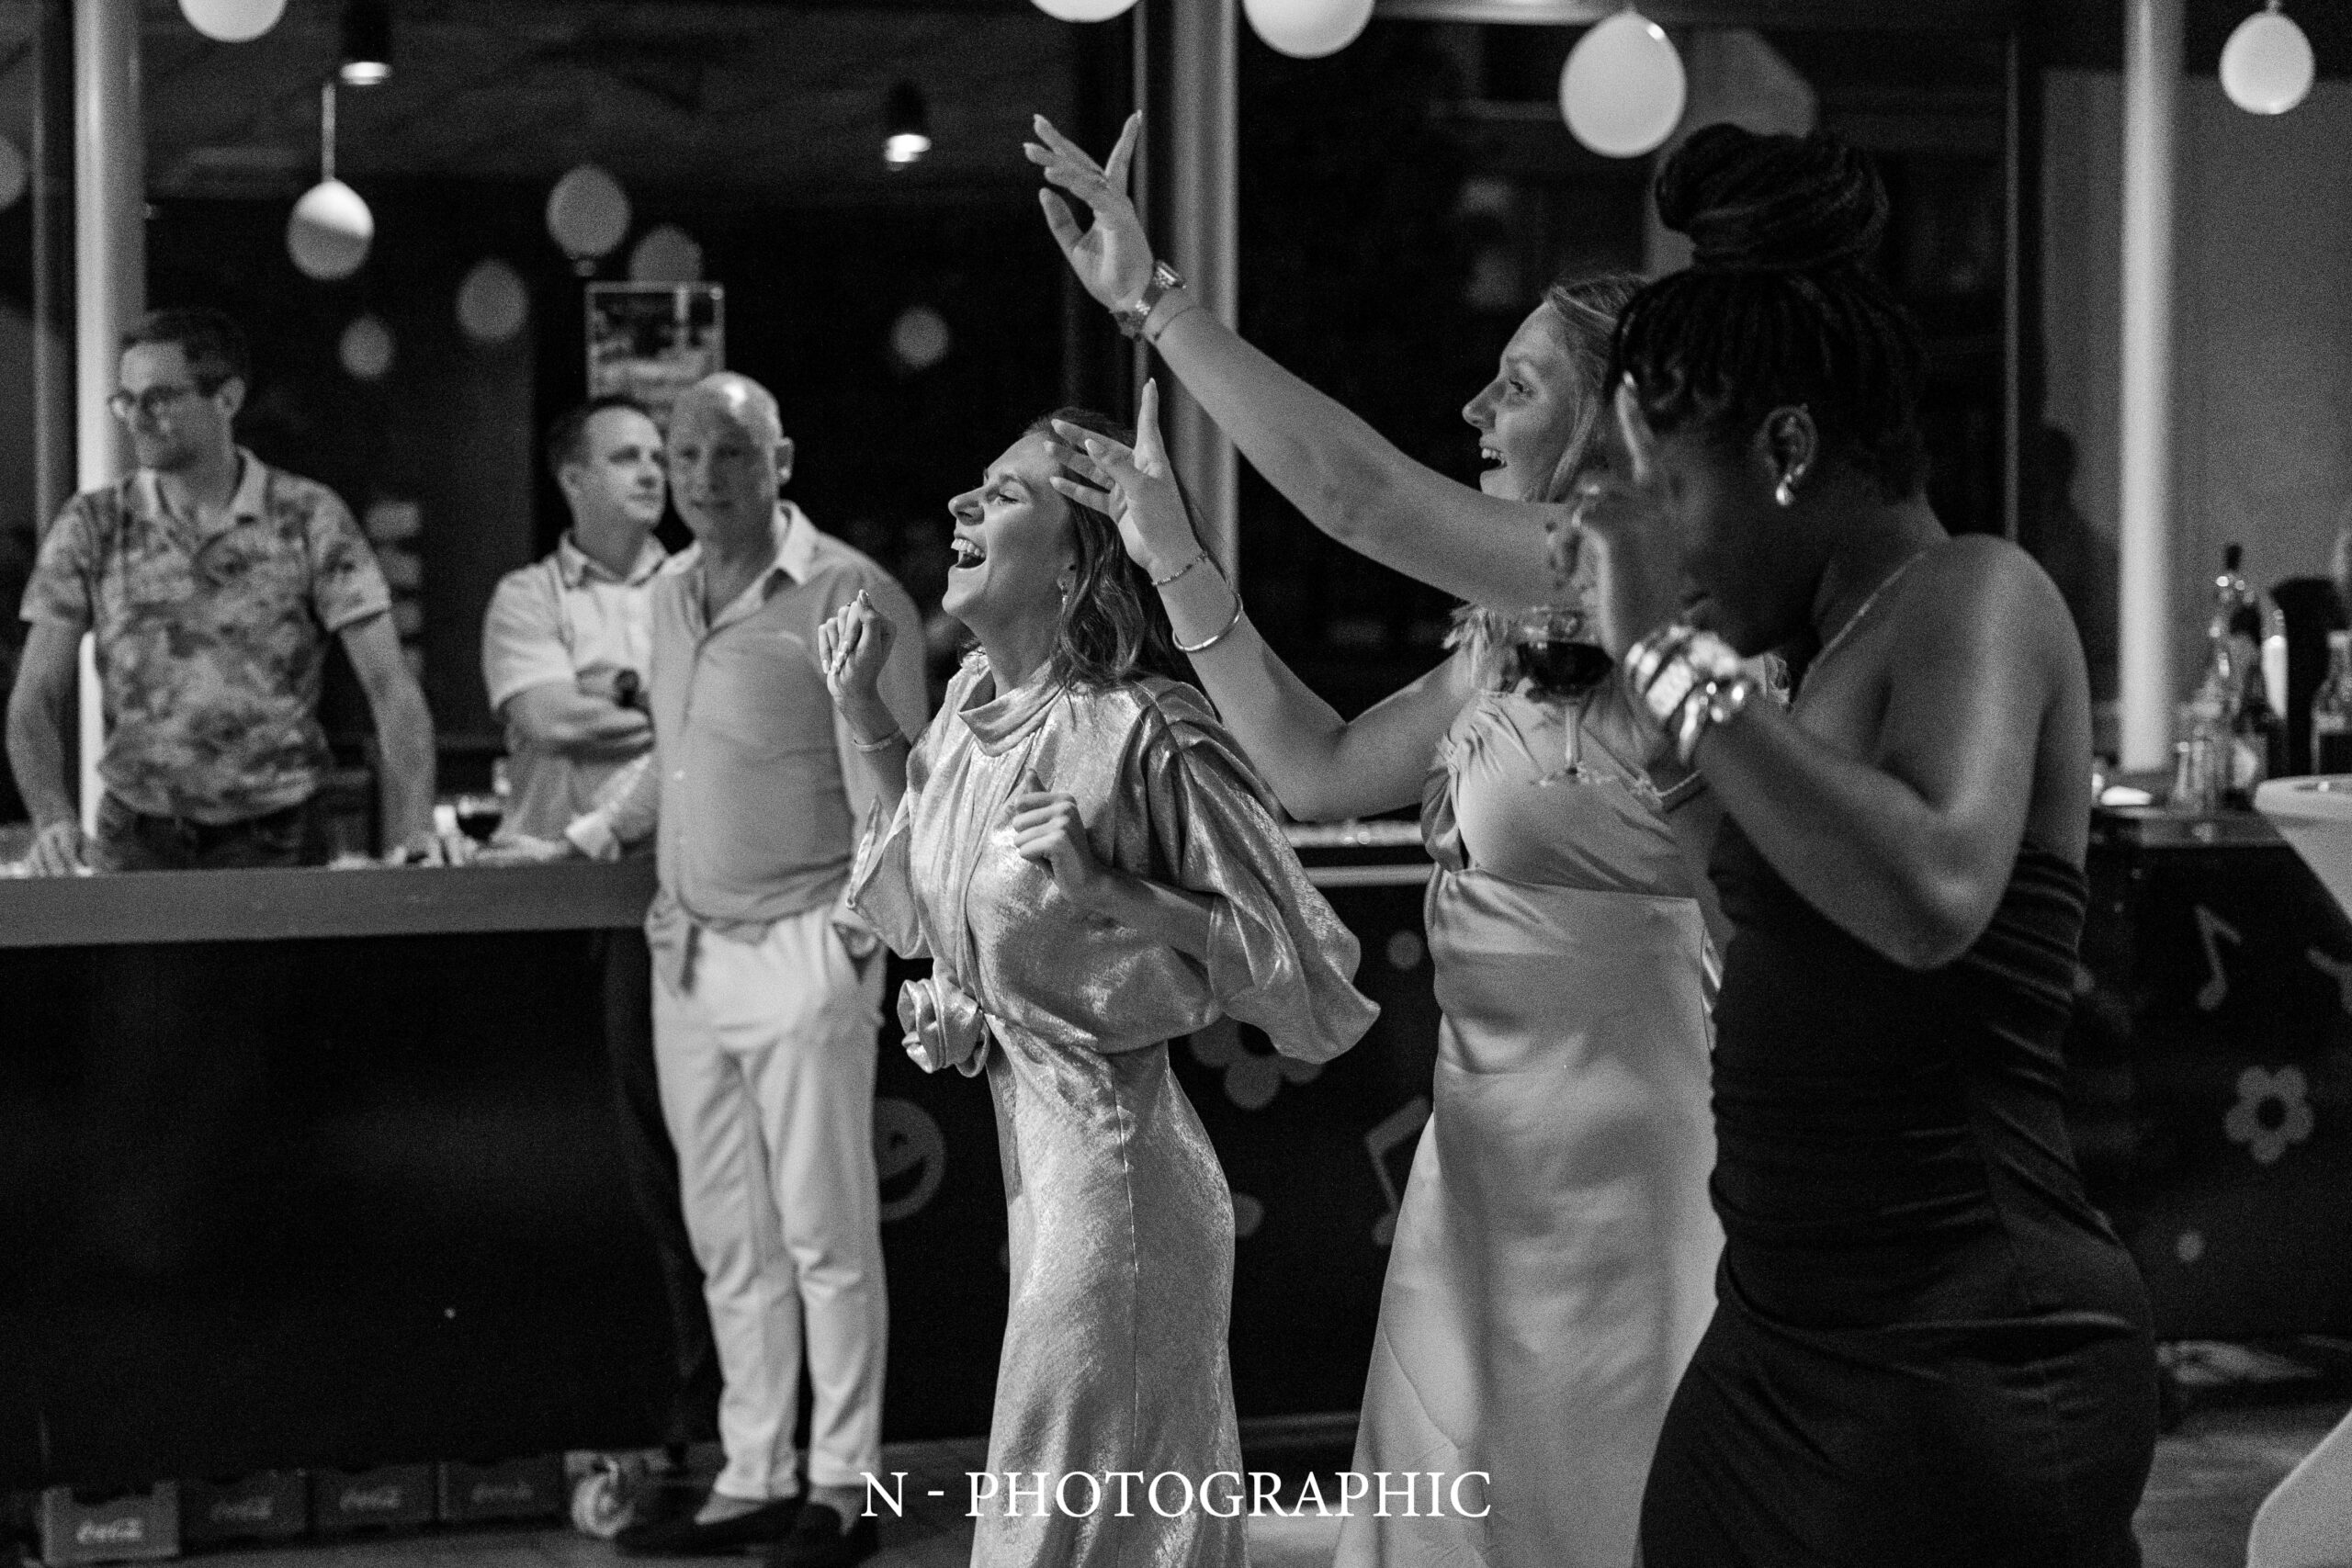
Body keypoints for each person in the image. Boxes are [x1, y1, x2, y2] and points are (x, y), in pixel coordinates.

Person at [1029, 116, 1720, 1566]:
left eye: (1519, 380)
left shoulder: (1638, 582)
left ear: (1615, 420)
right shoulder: (1502, 642)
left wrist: (1157, 305)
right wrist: (1170, 551)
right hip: (1481, 1145)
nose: (1477, 403)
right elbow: (1316, 767)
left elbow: (1361, 498)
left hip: (1624, 1160)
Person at [1575, 124, 2156, 1565]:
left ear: (1787, 447)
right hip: (1786, 1324)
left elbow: (1928, 893)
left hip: (1962, 1347)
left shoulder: (1978, 592)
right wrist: (1683, 747)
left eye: (1674, 495)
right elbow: (1791, 946)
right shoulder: (1822, 656)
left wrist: (1666, 658)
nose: (1668, 546)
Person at [822, 410, 1377, 1568]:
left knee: (1054, 1525)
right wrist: (861, 710)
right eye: (974, 486)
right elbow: (912, 907)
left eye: (1005, 495)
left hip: (1120, 1192)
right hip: (1043, 1178)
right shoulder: (968, 716)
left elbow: (1310, 965)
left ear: (1075, 564)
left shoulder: (1142, 730)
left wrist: (1113, 888)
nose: (963, 506)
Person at [503, 374, 929, 1568]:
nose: (702, 476)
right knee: (731, 1240)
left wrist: (854, 939)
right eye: (685, 453)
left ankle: (844, 1486)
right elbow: (677, 755)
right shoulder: (669, 594)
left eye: (731, 452)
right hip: (686, 948)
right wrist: (591, 834)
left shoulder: (850, 592)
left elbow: (903, 786)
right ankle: (753, 1477)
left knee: (826, 1237)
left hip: (802, 945)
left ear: (780, 459)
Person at [478, 394, 718, 1453]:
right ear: (571, 476)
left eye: (658, 455)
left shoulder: (702, 580)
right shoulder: (525, 596)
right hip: (542, 903)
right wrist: (669, 704)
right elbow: (547, 719)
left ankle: (687, 1406)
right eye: (625, 457)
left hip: (665, 903)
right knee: (549, 1165)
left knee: (666, 1171)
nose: (653, 472)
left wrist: (627, 697)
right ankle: (568, 1408)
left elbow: (713, 719)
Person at [8, 307, 442, 873]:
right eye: (126, 400)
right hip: (139, 833)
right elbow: (34, 698)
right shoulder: (95, 523)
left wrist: (415, 829)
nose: (138, 418)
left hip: (282, 832)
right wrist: (52, 819)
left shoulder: (306, 515)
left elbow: (391, 688)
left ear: (227, 398)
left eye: (159, 398)